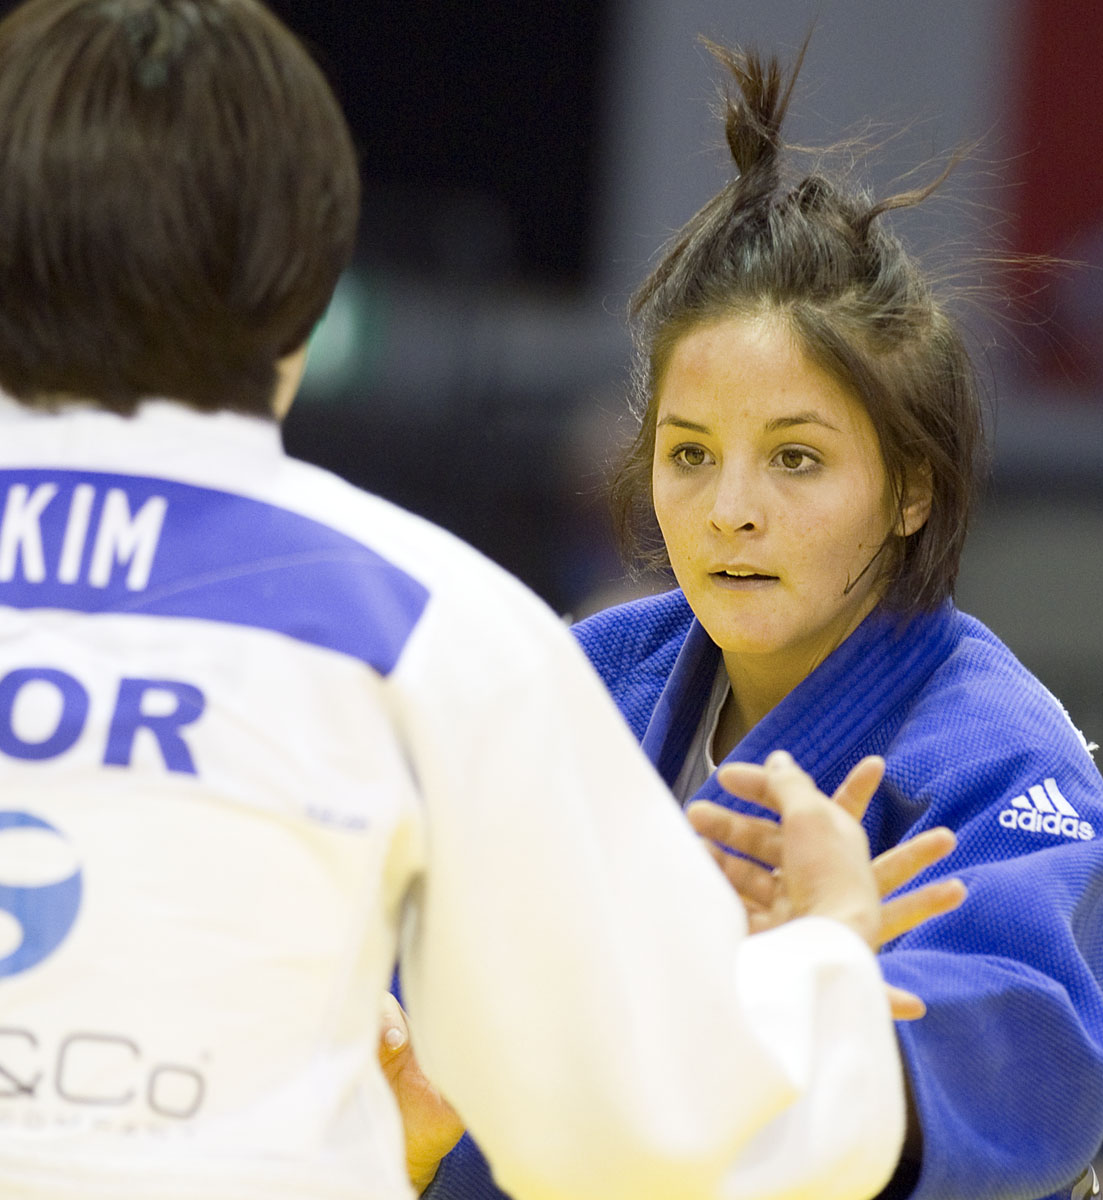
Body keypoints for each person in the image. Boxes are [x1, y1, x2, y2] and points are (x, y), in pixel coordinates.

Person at [0, 4, 966, 1200]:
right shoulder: (424, 625)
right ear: (303, 291)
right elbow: (637, 1131)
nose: (735, 508)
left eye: (799, 460)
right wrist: (820, 962)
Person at [399, 40, 1103, 1200]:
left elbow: (1036, 1072)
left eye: (797, 459)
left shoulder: (994, 753)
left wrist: (822, 977)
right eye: (689, 455)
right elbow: (431, 1030)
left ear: (913, 487)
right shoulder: (577, 686)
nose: (731, 511)